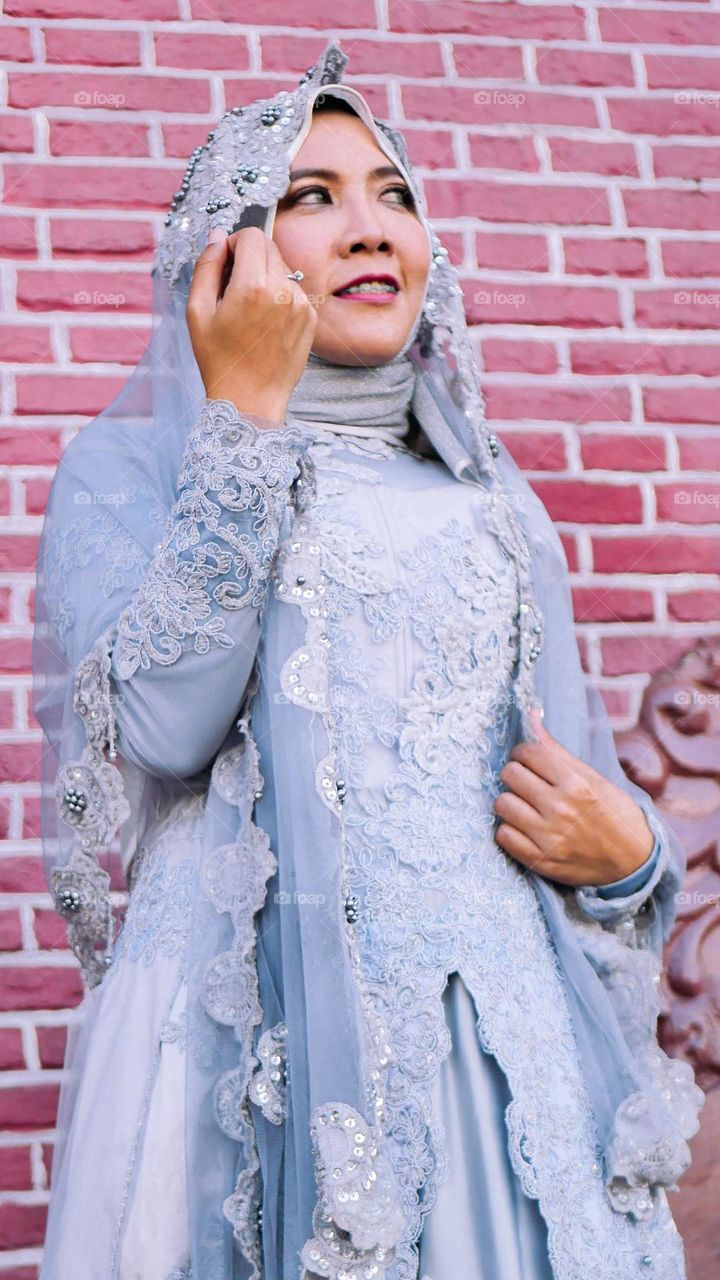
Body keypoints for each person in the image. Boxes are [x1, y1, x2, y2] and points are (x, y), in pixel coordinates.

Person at [32, 41, 704, 1280]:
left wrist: (633, 857)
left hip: (499, 1049)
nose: (369, 227)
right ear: (229, 254)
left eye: (394, 193)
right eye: (311, 195)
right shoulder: (134, 475)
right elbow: (167, 728)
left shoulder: (492, 499)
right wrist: (243, 424)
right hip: (250, 1042)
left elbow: (573, 780)